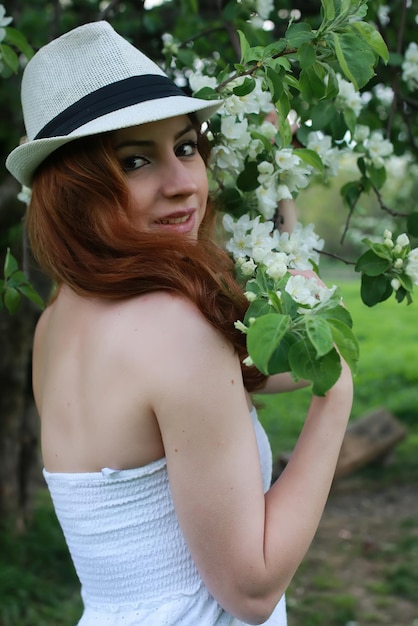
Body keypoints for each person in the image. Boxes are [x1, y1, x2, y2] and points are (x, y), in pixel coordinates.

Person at [6, 21, 353, 626]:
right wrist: (338, 396)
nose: (183, 185)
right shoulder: (173, 333)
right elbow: (251, 590)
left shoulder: (60, 320)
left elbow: (280, 362)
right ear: (74, 188)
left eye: (186, 147)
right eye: (135, 161)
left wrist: (279, 184)